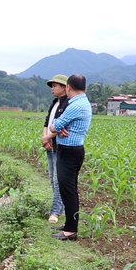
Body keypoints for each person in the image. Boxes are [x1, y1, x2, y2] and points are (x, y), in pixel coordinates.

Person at [47, 74, 92, 241]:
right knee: (68, 190)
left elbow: (55, 125)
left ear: (68, 87)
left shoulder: (75, 105)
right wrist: (60, 127)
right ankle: (69, 225)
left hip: (69, 152)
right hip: (72, 150)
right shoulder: (81, 102)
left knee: (69, 191)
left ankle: (70, 231)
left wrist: (58, 126)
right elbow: (59, 125)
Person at [41, 75, 68, 224]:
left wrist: (48, 137)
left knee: (58, 180)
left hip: (60, 146)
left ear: (64, 87)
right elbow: (47, 122)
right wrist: (45, 137)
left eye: (55, 86)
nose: (52, 88)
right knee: (52, 178)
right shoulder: (54, 103)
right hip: (50, 145)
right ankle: (61, 208)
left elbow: (61, 127)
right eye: (51, 86)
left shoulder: (67, 104)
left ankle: (55, 211)